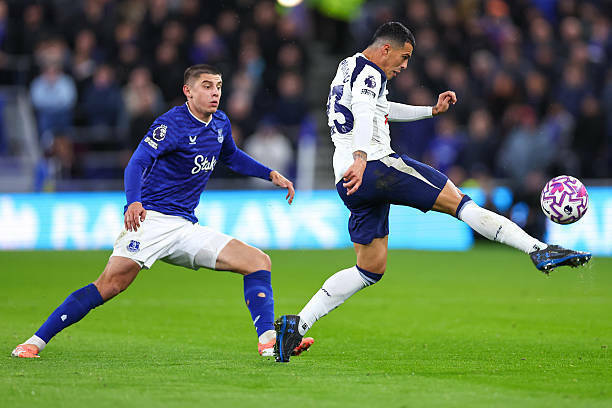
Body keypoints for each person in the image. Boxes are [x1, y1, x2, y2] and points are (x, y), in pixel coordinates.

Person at [273, 22, 591, 363]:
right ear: (386, 49)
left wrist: (430, 111)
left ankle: (296, 325)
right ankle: (539, 249)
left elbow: (379, 108)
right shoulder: (371, 72)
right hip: (375, 166)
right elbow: (365, 112)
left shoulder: (347, 67)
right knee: (461, 204)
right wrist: (363, 157)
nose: (404, 65)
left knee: (369, 268)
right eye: (404, 57)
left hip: (347, 180)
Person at [12, 64, 313, 359]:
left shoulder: (220, 123)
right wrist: (134, 202)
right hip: (151, 220)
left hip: (185, 227)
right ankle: (34, 342)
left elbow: (232, 156)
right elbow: (136, 163)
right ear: (188, 91)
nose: (215, 93)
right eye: (207, 86)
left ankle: (268, 343)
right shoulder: (170, 124)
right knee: (110, 285)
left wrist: (269, 174)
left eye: (219, 87)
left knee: (258, 261)